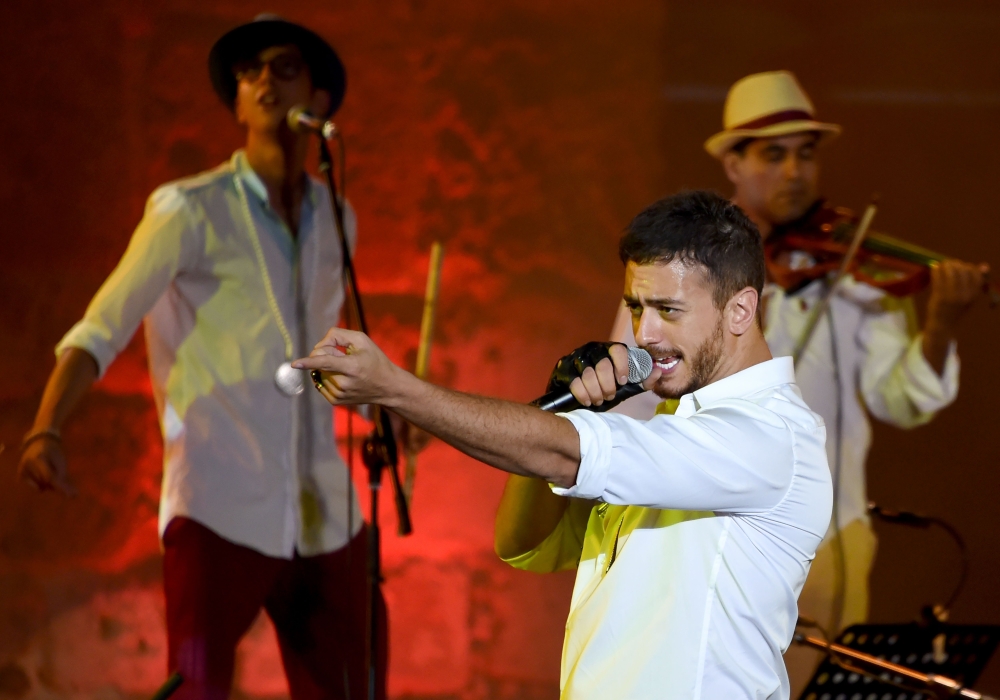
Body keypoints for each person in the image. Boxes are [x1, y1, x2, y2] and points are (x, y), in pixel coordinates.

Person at [295, 190, 834, 699]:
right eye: (635, 306)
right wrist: (561, 404)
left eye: (668, 310)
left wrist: (395, 389)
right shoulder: (673, 426)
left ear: (741, 310)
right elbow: (522, 544)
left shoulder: (770, 436)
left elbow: (566, 453)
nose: (643, 333)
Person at [17, 16, 387, 700]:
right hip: (218, 502)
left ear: (321, 98)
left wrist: (391, 409)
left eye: (284, 67)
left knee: (352, 687)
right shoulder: (188, 209)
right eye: (250, 73)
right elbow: (103, 324)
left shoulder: (341, 217)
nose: (265, 81)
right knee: (196, 690)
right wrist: (48, 425)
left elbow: (328, 351)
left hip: (323, 508)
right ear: (237, 102)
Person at [610, 70, 989, 695]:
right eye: (773, 155)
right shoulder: (679, 276)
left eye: (806, 155)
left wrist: (941, 326)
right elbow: (633, 393)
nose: (794, 173)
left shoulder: (855, 269)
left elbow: (901, 399)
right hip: (707, 520)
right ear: (732, 163)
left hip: (831, 531)